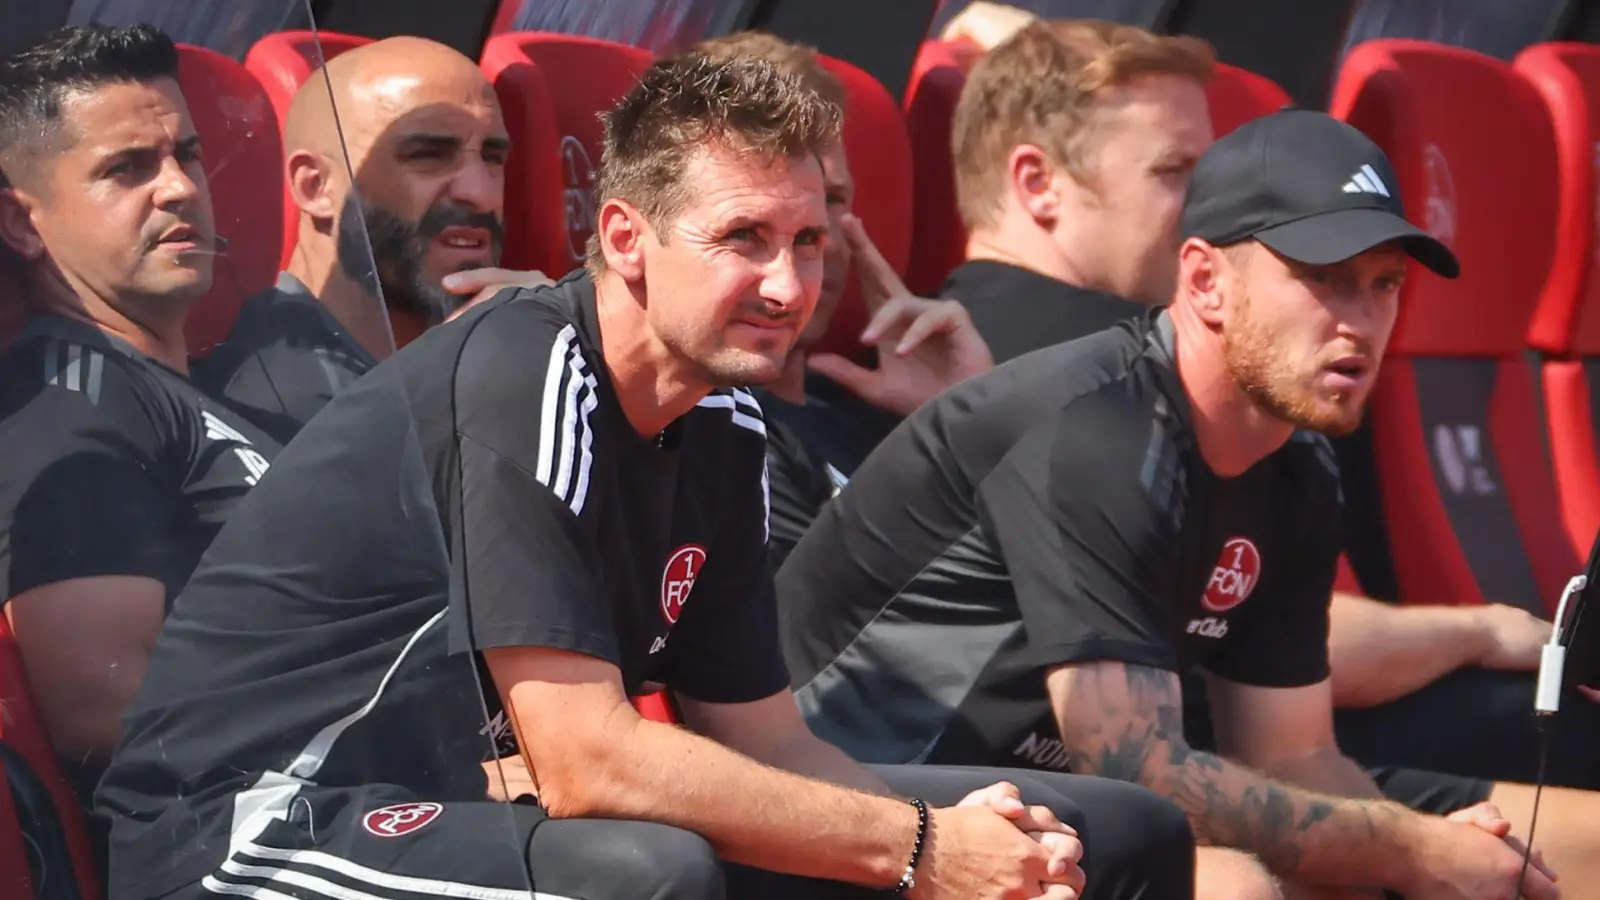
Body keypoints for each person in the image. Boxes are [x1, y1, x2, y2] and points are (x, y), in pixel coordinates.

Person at [97, 52, 1195, 900]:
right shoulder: (524, 369)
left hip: (455, 805)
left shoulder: (723, 419)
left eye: (810, 242)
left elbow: (768, 742)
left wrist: (974, 844)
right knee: (647, 874)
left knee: (1112, 831)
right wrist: (915, 848)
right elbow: (587, 767)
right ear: (625, 237)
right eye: (744, 239)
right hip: (247, 828)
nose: (788, 284)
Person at [775, 107, 1600, 899]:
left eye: (1383, 285)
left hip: (1044, 807)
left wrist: (1424, 859)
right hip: (856, 804)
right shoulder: (1098, 429)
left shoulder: (1299, 464)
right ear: (1204, 279)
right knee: (1236, 885)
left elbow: (1292, 753)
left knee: (1559, 854)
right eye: (1324, 280)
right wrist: (1409, 849)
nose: (1361, 322)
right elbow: (1133, 763)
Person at [945, 16, 1600, 799]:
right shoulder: (1078, 370)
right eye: (1178, 171)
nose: (1209, 207)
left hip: (1242, 746)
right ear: (1037, 183)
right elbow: (1240, 634)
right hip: (1112, 786)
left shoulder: (1163, 362)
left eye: (1382, 285)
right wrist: (1484, 629)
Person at [0, 23, 279, 804]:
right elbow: (106, 709)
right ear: (23, 222)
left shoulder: (212, 386)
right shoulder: (67, 405)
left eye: (185, 154)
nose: (181, 188)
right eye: (127, 169)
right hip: (250, 834)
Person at [692, 30, 994, 571]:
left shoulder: (882, 411)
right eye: (763, 211)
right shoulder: (709, 430)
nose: (814, 234)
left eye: (831, 200)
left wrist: (965, 416)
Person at [191, 36, 548, 445]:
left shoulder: (486, 356)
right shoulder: (270, 407)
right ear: (316, 187)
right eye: (428, 154)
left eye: (492, 157)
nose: (481, 194)